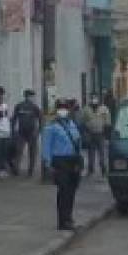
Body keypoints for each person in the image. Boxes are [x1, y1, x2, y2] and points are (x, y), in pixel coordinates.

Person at [42, 98, 84, 230]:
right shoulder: (51, 126)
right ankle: (62, 221)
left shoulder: (71, 123)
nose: (63, 110)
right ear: (56, 109)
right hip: (60, 161)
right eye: (60, 108)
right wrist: (48, 163)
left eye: (65, 108)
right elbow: (46, 146)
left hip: (73, 160)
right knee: (64, 191)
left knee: (71, 191)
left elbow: (78, 141)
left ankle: (69, 218)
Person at [12, 89, 42, 177]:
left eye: (32, 96)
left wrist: (39, 131)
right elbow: (14, 118)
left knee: (32, 152)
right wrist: (13, 130)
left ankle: (30, 171)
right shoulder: (19, 106)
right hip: (21, 132)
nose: (31, 98)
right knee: (19, 151)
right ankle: (16, 169)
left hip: (32, 132)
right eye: (30, 96)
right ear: (25, 96)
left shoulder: (35, 107)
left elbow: (41, 119)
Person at [83, 94, 111, 178]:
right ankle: (91, 169)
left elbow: (108, 121)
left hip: (101, 134)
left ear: (99, 99)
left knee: (102, 152)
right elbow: (83, 120)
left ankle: (103, 169)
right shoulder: (86, 109)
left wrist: (107, 134)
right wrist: (86, 130)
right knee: (91, 153)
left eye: (96, 98)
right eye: (93, 98)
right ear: (90, 99)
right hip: (90, 133)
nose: (94, 100)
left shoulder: (104, 108)